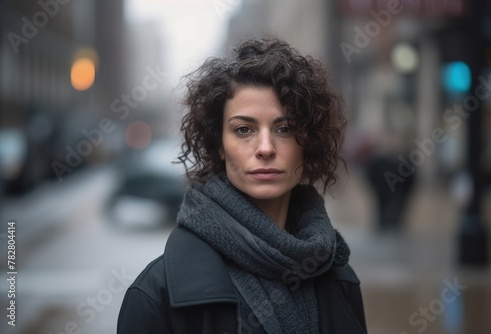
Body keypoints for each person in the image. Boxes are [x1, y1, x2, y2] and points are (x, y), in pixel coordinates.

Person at [117, 36, 367, 334]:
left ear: (307, 142)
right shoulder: (157, 295)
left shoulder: (339, 277)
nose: (265, 147)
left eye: (284, 128)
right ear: (219, 144)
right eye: (244, 129)